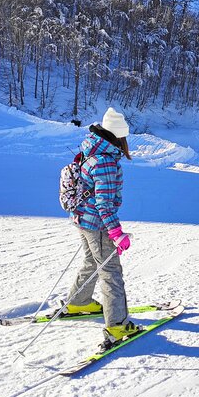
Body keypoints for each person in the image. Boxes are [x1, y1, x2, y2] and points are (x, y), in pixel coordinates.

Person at [66, 107, 139, 346]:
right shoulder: (105, 161)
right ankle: (118, 326)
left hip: (83, 219)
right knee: (110, 272)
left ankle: (79, 302)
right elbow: (104, 204)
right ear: (118, 136)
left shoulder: (91, 149)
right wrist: (115, 232)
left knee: (92, 262)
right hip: (96, 224)